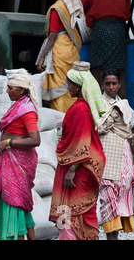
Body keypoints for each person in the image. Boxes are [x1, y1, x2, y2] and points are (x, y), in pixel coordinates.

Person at [49, 61, 106, 240]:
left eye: (70, 83)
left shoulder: (80, 109)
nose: (68, 87)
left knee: (75, 212)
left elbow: (82, 143)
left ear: (78, 86)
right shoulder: (82, 107)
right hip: (78, 166)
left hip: (78, 168)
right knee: (80, 212)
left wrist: (71, 171)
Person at [0, 68, 41, 240]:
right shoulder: (18, 106)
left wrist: (9, 143)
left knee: (14, 201)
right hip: (10, 160)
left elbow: (35, 139)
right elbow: (6, 135)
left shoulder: (27, 111)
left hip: (19, 163)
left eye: (11, 88)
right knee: (17, 204)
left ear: (21, 89)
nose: (7, 91)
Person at [79, 0, 131, 99]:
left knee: (96, 70)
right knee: (119, 73)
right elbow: (127, 12)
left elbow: (79, 8)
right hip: (118, 30)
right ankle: (123, 113)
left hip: (100, 30)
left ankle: (96, 107)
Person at [36, 0, 84, 113]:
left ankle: (62, 116)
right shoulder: (70, 6)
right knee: (71, 84)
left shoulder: (56, 8)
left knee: (60, 87)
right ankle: (73, 114)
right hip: (70, 49)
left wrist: (42, 56)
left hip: (60, 50)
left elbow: (53, 35)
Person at [97, 69, 134, 240]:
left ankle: (115, 237)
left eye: (114, 83)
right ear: (102, 85)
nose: (111, 87)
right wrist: (114, 112)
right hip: (107, 156)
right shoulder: (98, 104)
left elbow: (130, 131)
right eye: (107, 83)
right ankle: (110, 238)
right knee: (107, 200)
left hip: (124, 158)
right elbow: (98, 128)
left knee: (120, 200)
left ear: (120, 85)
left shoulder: (125, 105)